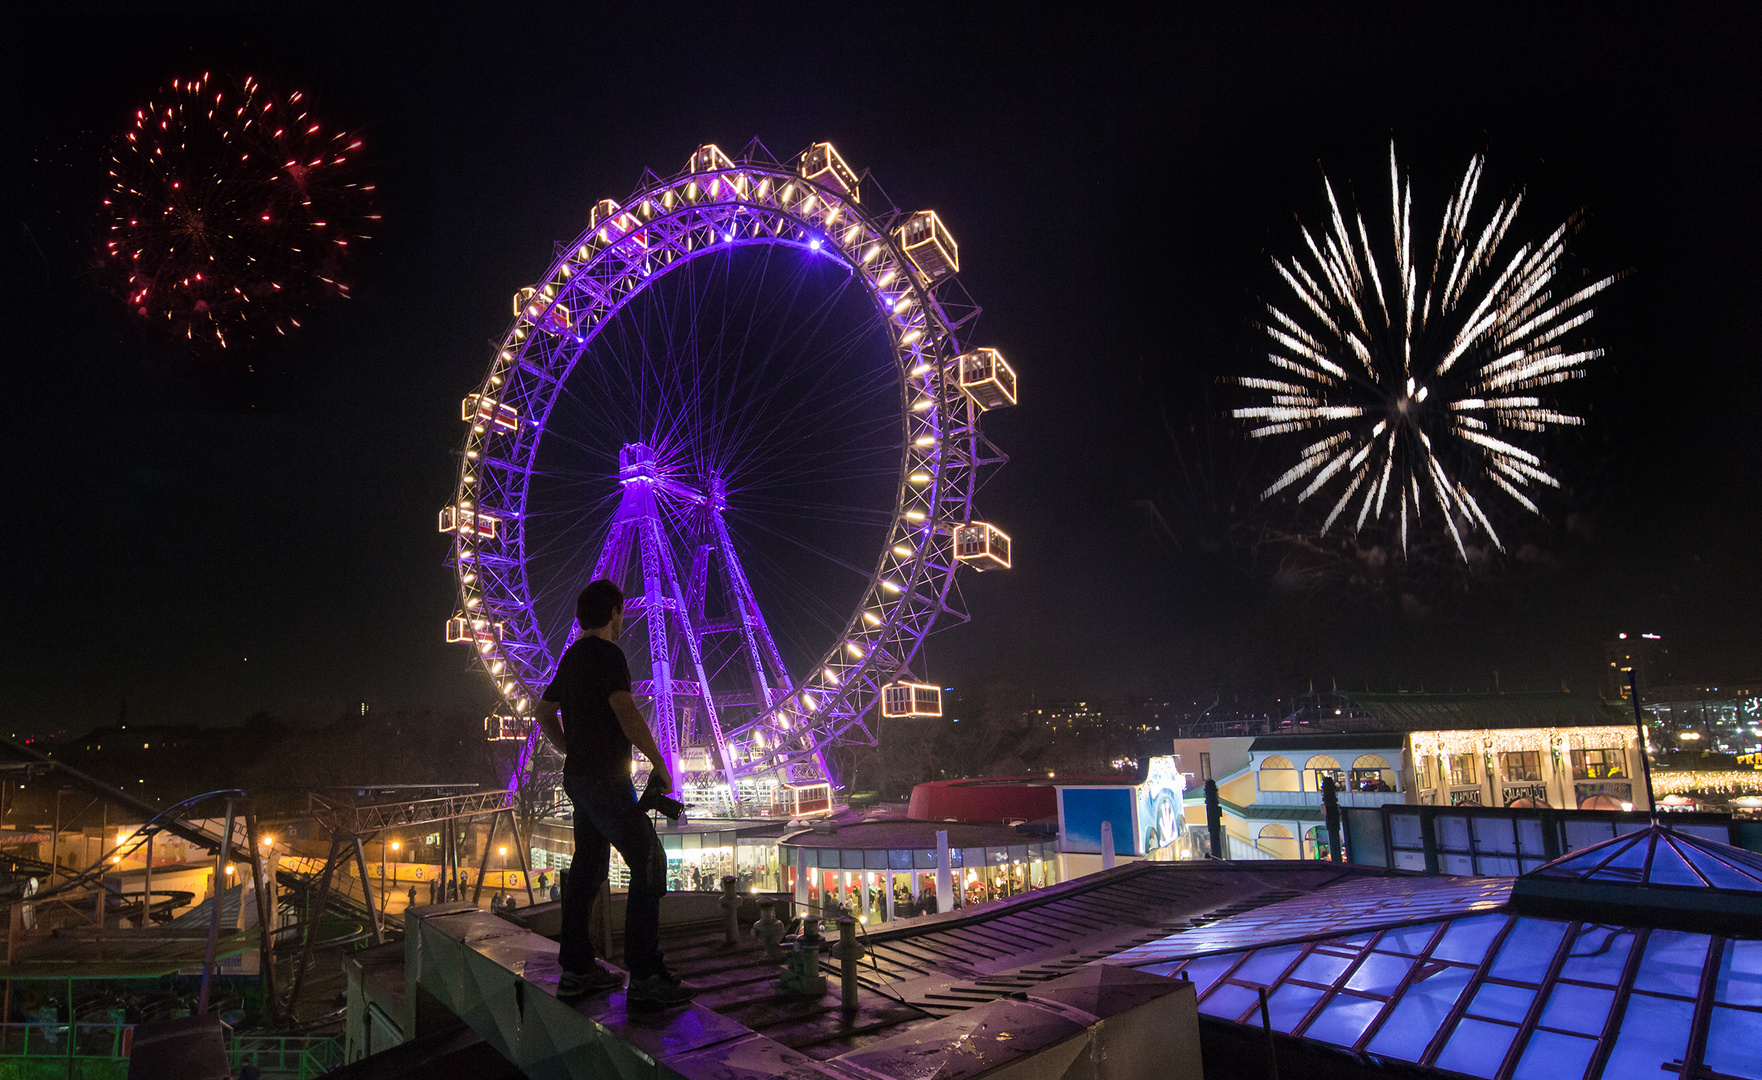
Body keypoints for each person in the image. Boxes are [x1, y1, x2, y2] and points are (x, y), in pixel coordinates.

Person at [535, 580, 693, 1009]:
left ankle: (578, 970)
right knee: (648, 860)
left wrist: (568, 746)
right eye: (622, 614)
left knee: (587, 867)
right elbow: (625, 708)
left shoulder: (570, 658)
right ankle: (644, 975)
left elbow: (543, 711)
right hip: (605, 779)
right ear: (616, 613)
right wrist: (660, 761)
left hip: (580, 778)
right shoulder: (609, 655)